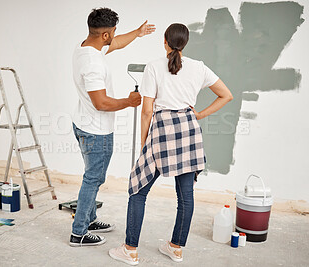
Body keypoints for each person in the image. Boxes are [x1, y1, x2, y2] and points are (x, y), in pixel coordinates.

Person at [109, 23, 233, 264]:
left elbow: (146, 112)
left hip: (162, 131)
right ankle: (176, 248)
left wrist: (144, 143)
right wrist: (198, 115)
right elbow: (226, 95)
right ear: (184, 43)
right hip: (189, 131)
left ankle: (130, 249)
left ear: (164, 41)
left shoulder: (154, 67)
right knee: (185, 196)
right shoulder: (199, 67)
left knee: (138, 190)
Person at [70, 8, 155, 247]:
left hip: (82, 123)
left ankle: (89, 218)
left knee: (93, 177)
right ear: (105, 34)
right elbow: (101, 102)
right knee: (93, 179)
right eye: (113, 32)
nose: (114, 37)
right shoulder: (93, 63)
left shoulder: (85, 46)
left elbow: (115, 43)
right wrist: (129, 102)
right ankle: (79, 233)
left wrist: (137, 33)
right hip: (96, 131)